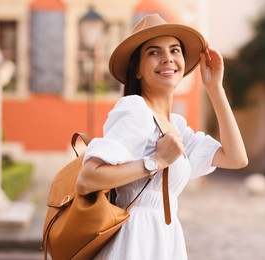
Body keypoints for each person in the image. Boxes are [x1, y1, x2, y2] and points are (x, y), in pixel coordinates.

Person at [76, 14, 248, 259]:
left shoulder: (175, 125)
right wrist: (155, 162)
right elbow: (88, 178)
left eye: (174, 50)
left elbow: (236, 158)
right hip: (134, 242)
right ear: (137, 69)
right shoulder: (135, 110)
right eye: (154, 52)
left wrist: (215, 89)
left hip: (164, 241)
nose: (167, 57)